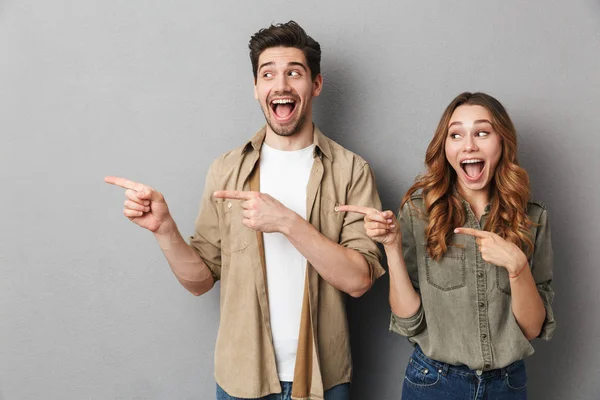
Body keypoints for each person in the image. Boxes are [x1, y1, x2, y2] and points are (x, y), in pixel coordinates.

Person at [105, 21, 384, 400]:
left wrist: (286, 221)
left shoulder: (352, 170)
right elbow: (201, 280)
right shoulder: (226, 170)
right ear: (256, 88)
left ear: (316, 85)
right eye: (268, 74)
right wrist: (164, 229)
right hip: (241, 379)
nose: (281, 85)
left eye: (294, 73)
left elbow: (359, 280)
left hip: (323, 378)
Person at [339, 92, 555, 399]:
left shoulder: (532, 217)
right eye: (456, 135)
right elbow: (408, 320)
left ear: (502, 142)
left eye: (482, 132)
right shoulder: (418, 211)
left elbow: (532, 329)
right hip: (434, 383)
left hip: (507, 386)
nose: (469, 145)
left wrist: (517, 267)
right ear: (446, 146)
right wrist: (391, 245)